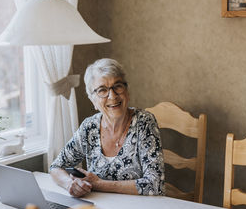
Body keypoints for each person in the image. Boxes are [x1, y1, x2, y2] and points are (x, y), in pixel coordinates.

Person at [50, 58, 165, 197]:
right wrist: (69, 184)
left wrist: (98, 183)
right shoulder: (89, 127)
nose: (112, 96)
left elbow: (155, 184)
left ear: (126, 91)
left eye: (117, 86)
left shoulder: (144, 122)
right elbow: (56, 167)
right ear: (93, 101)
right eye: (102, 90)